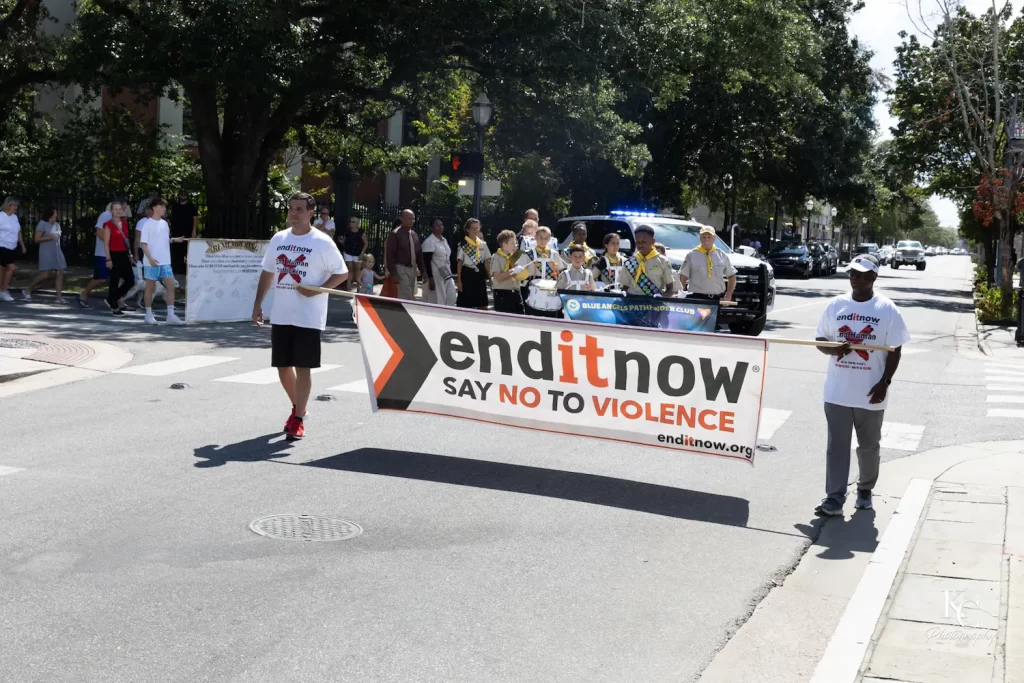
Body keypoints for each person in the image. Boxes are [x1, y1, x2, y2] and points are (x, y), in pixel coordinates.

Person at [814, 254, 911, 516]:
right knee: (836, 447)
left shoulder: (887, 309)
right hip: (837, 391)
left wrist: (885, 383)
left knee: (868, 447)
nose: (854, 277)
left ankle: (865, 489)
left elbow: (895, 350)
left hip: (871, 392)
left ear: (873, 277)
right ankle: (834, 498)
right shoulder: (836, 305)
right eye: (852, 273)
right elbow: (820, 340)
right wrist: (833, 349)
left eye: (860, 273)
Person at [252, 192, 348, 441]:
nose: (293, 213)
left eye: (299, 209)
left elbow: (342, 273)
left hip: (308, 316)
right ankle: (299, 408)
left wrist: (317, 289)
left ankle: (298, 420)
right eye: (291, 208)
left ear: (310, 213)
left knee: (303, 366)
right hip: (282, 314)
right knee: (282, 367)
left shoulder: (322, 242)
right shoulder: (279, 239)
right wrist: (258, 303)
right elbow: (268, 271)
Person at [140, 198, 185, 325]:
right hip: (151, 262)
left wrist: (175, 240)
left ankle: (171, 315)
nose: (165, 209)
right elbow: (143, 244)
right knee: (150, 288)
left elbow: (164, 240)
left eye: (165, 207)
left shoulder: (164, 224)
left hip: (165, 261)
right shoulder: (147, 224)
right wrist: (150, 259)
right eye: (162, 206)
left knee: (171, 286)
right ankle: (148, 314)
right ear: (155, 207)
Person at [79, 200, 120, 309]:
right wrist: (111, 242)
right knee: (101, 278)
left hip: (114, 253)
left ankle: (119, 302)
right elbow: (99, 231)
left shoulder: (118, 219)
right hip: (102, 253)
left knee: (118, 277)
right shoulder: (105, 215)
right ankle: (84, 294)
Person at [678, 225, 737, 301]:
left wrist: (728, 295)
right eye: (704, 237)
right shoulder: (692, 255)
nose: (706, 239)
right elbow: (683, 276)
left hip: (716, 298)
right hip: (696, 298)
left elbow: (732, 275)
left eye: (709, 237)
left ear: (714, 238)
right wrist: (680, 294)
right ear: (700, 238)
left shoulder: (722, 255)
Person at [23, 207, 68, 304]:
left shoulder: (57, 225)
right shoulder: (42, 224)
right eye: (54, 213)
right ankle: (28, 289)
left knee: (60, 273)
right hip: (46, 252)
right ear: (49, 214)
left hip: (57, 251)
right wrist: (49, 237)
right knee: (44, 275)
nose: (56, 215)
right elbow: (36, 239)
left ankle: (59, 298)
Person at [617, 224, 675, 297]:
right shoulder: (629, 262)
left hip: (654, 302)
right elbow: (624, 288)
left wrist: (661, 297)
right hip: (632, 301)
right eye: (638, 242)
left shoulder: (663, 261)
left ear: (652, 242)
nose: (640, 245)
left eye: (644, 242)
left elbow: (670, 290)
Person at [101, 205, 136, 315]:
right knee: (114, 280)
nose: (118, 211)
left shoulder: (124, 223)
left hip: (124, 254)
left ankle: (112, 298)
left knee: (130, 280)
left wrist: (130, 256)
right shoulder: (108, 224)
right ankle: (114, 305)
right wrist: (108, 259)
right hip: (113, 254)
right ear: (111, 211)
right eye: (115, 209)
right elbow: (106, 243)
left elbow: (126, 241)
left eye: (120, 209)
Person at [384, 209, 425, 300]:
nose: (412, 221)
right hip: (401, 269)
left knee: (410, 294)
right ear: (402, 219)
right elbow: (390, 255)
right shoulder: (395, 234)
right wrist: (393, 273)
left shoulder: (414, 235)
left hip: (412, 269)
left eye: (413, 219)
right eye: (409, 218)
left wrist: (423, 270)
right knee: (406, 295)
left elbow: (419, 254)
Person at [523, 226, 563, 317]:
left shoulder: (554, 254)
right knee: (533, 315)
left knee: (550, 315)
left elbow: (560, 271)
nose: (543, 241)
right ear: (535, 237)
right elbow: (519, 269)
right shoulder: (528, 254)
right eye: (540, 238)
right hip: (534, 287)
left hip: (550, 286)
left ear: (549, 239)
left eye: (546, 238)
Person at [490, 230, 529, 314]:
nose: (516, 245)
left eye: (516, 243)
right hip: (502, 294)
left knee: (520, 316)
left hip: (516, 292)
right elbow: (498, 277)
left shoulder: (515, 257)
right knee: (504, 319)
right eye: (513, 243)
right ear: (504, 245)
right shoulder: (496, 257)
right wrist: (513, 270)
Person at [456, 218, 491, 309]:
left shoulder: (483, 244)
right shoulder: (463, 244)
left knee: (483, 305)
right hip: (467, 274)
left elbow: (486, 262)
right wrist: (459, 281)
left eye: (477, 228)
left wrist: (490, 278)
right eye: (473, 228)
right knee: (466, 305)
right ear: (467, 230)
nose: (475, 230)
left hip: (480, 275)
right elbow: (459, 263)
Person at [422, 218, 457, 306]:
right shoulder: (429, 241)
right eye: (437, 225)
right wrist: (430, 278)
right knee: (438, 297)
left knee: (451, 295)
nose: (440, 227)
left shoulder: (444, 240)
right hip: (435, 273)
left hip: (446, 272)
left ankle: (447, 312)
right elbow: (426, 261)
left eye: (441, 225)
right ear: (432, 228)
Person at [0, 197, 27, 302]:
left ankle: (2, 290)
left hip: (12, 247)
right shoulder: (1, 216)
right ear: (8, 205)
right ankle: (4, 290)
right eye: (14, 205)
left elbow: (18, 232)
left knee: (3, 269)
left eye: (16, 206)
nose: (16, 207)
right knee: (11, 268)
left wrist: (22, 245)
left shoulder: (14, 217)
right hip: (2, 246)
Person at [169, 191, 198, 276]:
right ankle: (176, 269)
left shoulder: (191, 206)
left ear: (187, 196)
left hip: (187, 231)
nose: (183, 195)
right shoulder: (175, 206)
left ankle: (188, 269)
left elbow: (195, 218)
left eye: (184, 194)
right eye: (181, 194)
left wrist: (194, 231)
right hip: (176, 231)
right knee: (176, 250)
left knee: (187, 250)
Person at [339, 216, 367, 291]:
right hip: (348, 252)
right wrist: (341, 241)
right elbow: (344, 241)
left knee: (357, 270)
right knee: (350, 269)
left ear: (357, 223)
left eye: (353, 222)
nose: (351, 223)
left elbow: (366, 243)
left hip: (358, 253)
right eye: (350, 221)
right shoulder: (347, 231)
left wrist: (362, 253)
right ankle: (348, 287)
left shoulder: (361, 232)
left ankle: (358, 287)